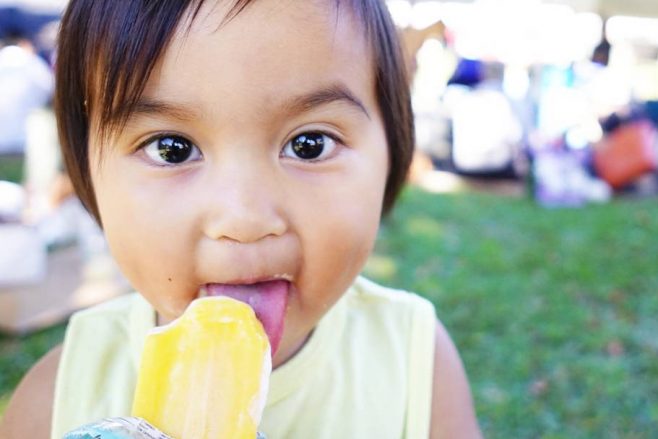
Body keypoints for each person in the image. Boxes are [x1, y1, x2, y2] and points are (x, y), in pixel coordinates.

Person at [0, 0, 483, 438]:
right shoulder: (54, 400)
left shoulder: (417, 365)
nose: (245, 218)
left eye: (309, 144)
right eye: (172, 149)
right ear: (88, 179)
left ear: (393, 155)